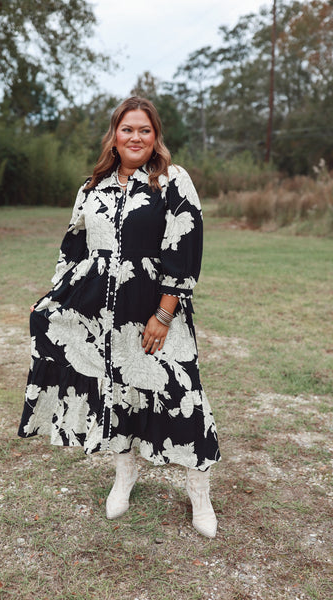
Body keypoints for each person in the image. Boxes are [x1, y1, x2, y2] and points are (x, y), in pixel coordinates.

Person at [18, 96, 221, 538]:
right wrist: (54, 300)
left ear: (155, 137)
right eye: (127, 129)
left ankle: (199, 492)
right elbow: (72, 250)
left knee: (180, 396)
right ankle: (124, 476)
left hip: (155, 311)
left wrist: (164, 315)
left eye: (144, 130)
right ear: (114, 134)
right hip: (101, 315)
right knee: (116, 396)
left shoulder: (171, 181)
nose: (135, 137)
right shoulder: (92, 187)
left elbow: (185, 249)